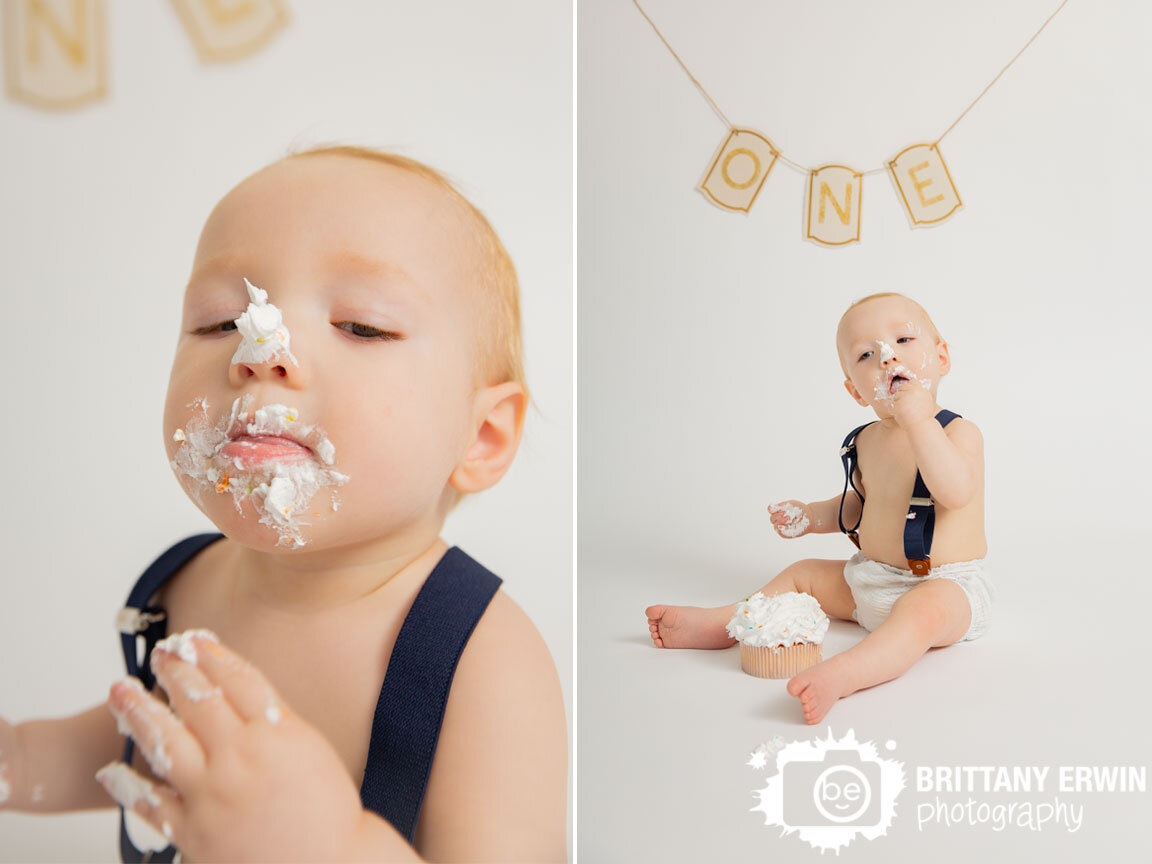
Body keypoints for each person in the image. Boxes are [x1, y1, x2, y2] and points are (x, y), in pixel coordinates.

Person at [0, 147, 567, 862]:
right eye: (217, 321)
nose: (262, 349)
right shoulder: (183, 583)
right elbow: (152, 747)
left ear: (481, 437)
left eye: (362, 326)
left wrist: (331, 846)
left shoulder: (485, 662)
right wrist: (20, 758)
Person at [645, 292, 992, 725]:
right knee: (802, 573)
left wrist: (919, 422)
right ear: (855, 390)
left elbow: (955, 492)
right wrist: (811, 516)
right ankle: (727, 623)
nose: (888, 358)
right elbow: (861, 506)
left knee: (920, 615)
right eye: (867, 354)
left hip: (944, 587)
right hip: (872, 578)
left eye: (904, 340)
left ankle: (848, 672)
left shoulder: (958, 432)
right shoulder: (866, 440)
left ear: (941, 358)